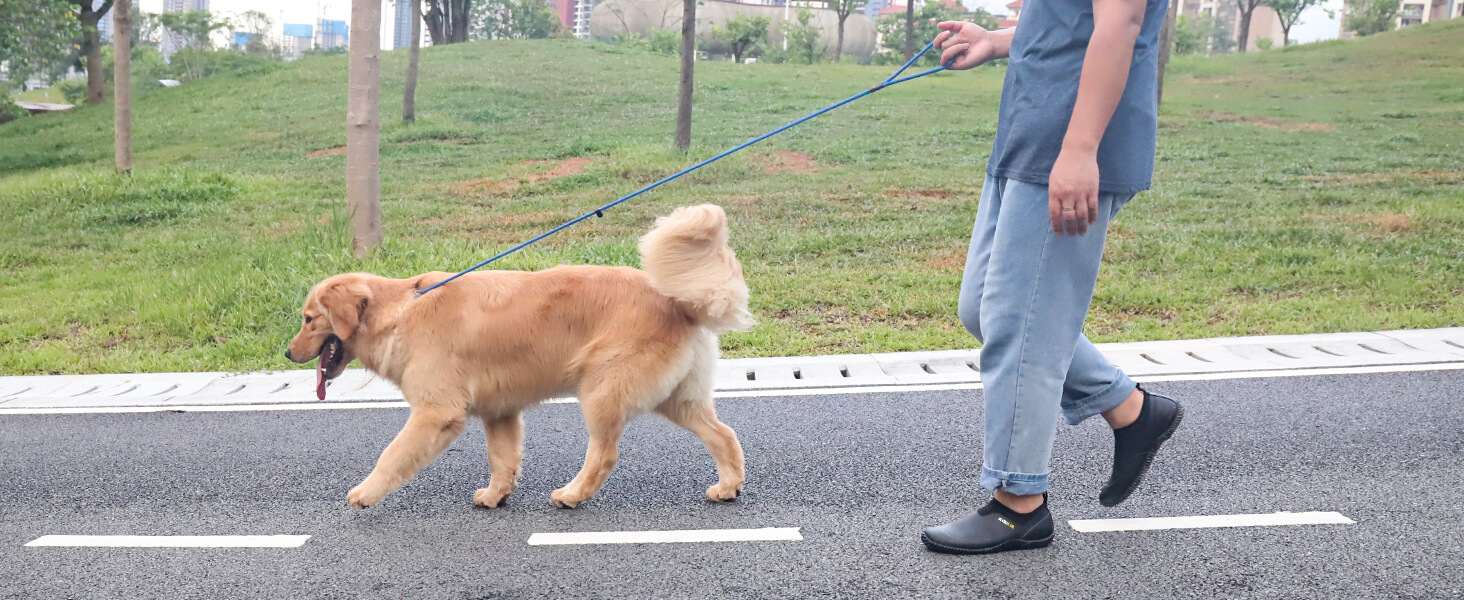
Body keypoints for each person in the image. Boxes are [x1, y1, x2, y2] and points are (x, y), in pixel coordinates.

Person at [918, 0, 1184, 555]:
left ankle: (1019, 504)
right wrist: (996, 40)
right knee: (984, 309)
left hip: (1070, 147)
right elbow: (1066, 21)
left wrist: (1082, 149)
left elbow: (1120, 25)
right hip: (1030, 136)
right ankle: (1131, 409)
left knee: (1022, 326)